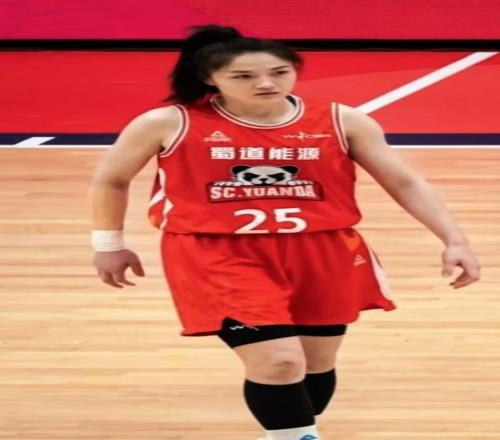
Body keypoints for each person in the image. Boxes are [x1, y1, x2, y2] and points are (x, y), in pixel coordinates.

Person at [90, 24, 481, 440]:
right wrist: (108, 244)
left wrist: (454, 240)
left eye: (279, 72)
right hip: (217, 255)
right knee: (279, 362)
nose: (265, 83)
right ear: (210, 77)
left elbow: (404, 182)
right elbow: (111, 180)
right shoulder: (168, 122)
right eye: (243, 76)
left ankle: (293, 431)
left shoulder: (341, 119)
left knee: (314, 363)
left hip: (323, 251)